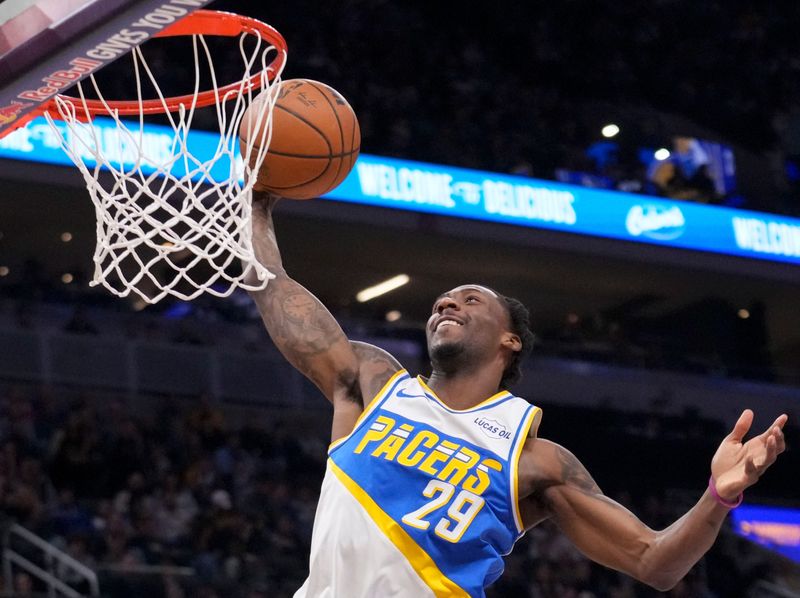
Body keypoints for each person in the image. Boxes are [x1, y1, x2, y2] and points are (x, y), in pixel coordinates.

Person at [246, 194, 788, 598]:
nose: (446, 304)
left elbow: (655, 562)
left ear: (511, 340)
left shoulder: (537, 461)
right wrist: (256, 207)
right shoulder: (370, 384)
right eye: (441, 302)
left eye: (470, 300)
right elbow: (277, 291)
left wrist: (719, 495)